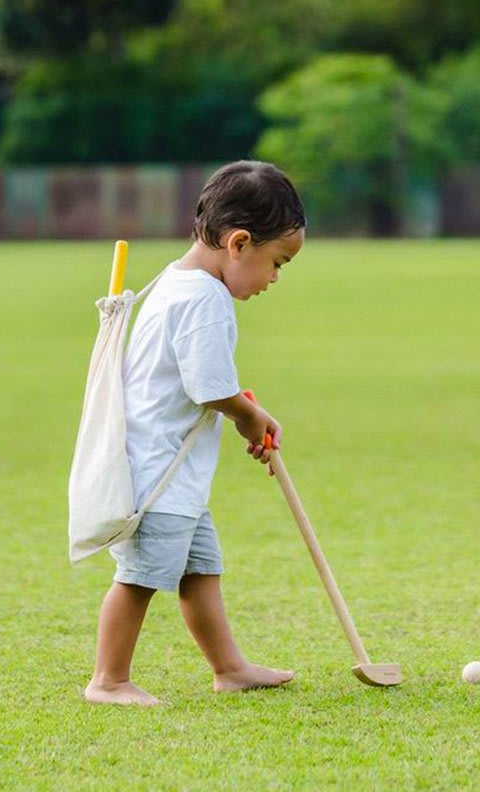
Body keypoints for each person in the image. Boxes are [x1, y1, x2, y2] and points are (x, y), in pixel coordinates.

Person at [85, 160, 307, 706]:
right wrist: (249, 416)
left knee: (199, 570)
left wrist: (245, 409)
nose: (274, 279)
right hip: (158, 473)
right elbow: (208, 386)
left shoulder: (175, 280)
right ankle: (108, 680)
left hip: (170, 469)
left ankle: (229, 667)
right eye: (276, 263)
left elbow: (198, 380)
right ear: (238, 243)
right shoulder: (206, 300)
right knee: (139, 578)